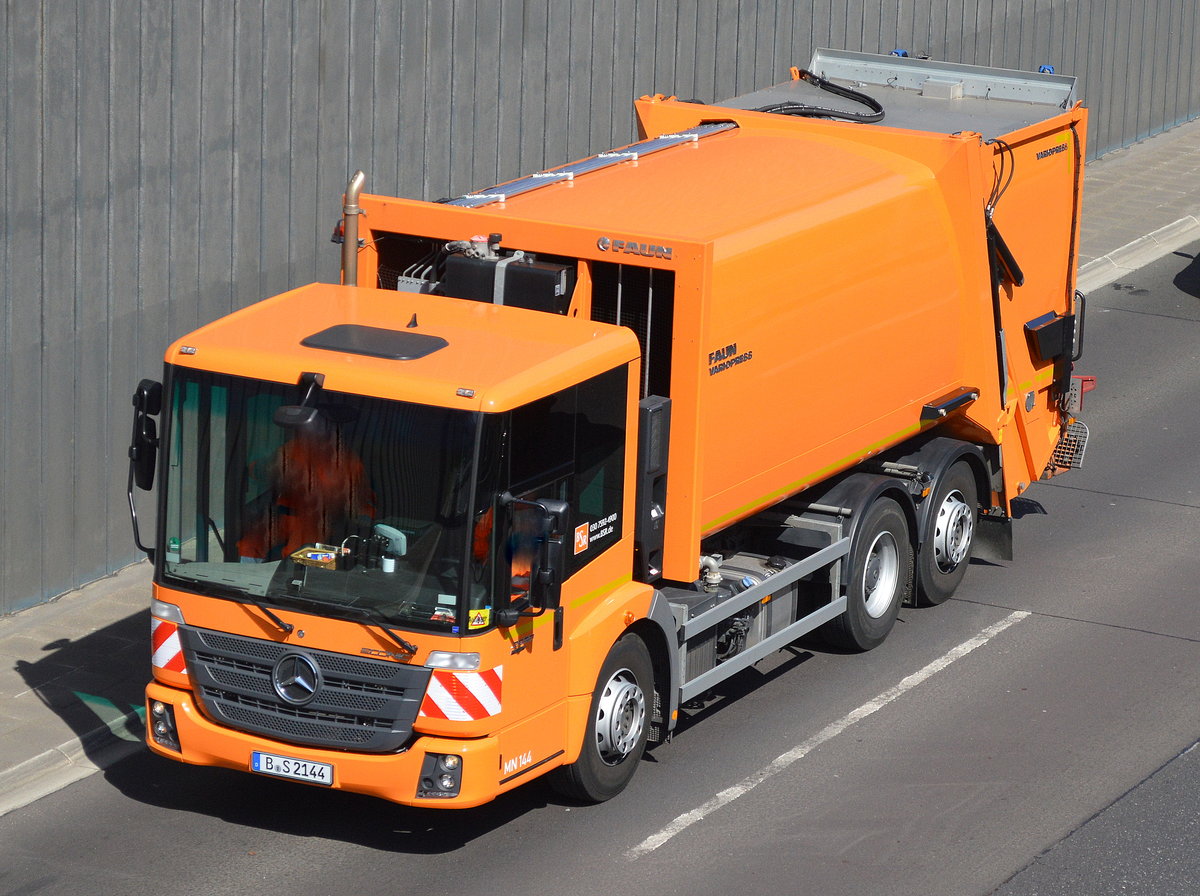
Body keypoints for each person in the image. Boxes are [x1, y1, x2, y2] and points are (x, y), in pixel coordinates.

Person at [238, 411, 374, 562]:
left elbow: (353, 507)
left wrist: (311, 489)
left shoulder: (349, 464)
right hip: (283, 517)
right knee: (247, 551)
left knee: (305, 561)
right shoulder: (294, 449)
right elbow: (259, 470)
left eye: (324, 427)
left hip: (322, 527)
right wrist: (273, 471)